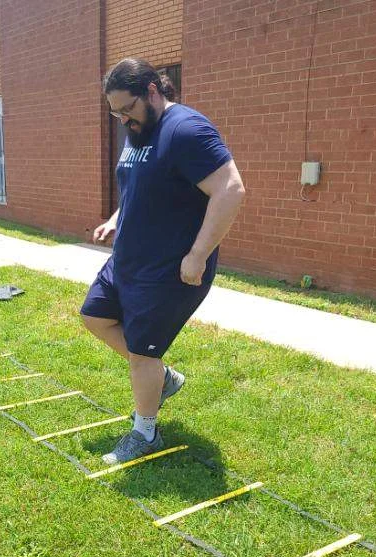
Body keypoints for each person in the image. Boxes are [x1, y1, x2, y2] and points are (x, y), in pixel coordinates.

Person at [80, 57, 246, 464]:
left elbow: (231, 189)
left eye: (127, 109)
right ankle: (163, 378)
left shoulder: (186, 130)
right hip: (128, 261)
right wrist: (116, 218)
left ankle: (145, 432)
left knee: (141, 353)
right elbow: (140, 185)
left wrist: (198, 255)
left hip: (168, 270)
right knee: (94, 317)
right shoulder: (139, 129)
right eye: (115, 112)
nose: (122, 120)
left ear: (152, 91)